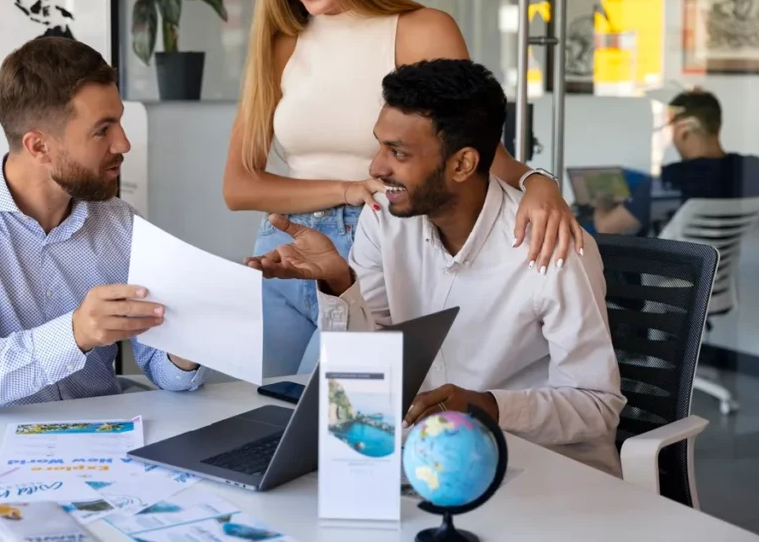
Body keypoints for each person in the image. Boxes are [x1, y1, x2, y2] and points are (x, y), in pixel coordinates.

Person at [222, 0, 583, 377]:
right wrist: (348, 188)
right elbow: (239, 186)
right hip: (285, 248)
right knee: (254, 405)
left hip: (378, 247)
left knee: (330, 412)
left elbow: (480, 155)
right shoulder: (279, 44)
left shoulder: (421, 29)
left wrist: (539, 183)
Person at [247, 59, 625, 476]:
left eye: (398, 152)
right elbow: (368, 367)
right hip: (430, 461)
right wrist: (339, 283)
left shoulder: (551, 245)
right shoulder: (383, 218)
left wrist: (489, 407)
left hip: (542, 472)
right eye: (380, 145)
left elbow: (597, 405)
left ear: (462, 164)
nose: (376, 167)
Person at [0, 37, 205, 415]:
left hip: (103, 441)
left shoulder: (122, 224)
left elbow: (165, 371)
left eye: (120, 121)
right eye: (103, 130)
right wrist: (75, 332)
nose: (124, 143)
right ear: (39, 147)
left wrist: (188, 345)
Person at [594, 89, 759, 236]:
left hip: (669, 271)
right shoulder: (751, 169)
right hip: (723, 267)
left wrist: (600, 203)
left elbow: (606, 227)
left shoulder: (670, 181)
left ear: (682, 130)